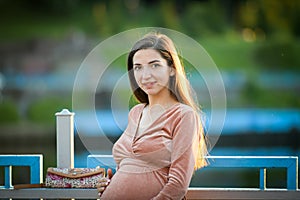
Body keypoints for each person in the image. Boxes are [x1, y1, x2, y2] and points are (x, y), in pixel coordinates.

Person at [97, 32, 208, 200]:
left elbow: (178, 186)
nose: (145, 75)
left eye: (154, 65)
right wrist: (110, 183)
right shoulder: (136, 113)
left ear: (171, 69)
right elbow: (133, 170)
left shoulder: (184, 116)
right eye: (138, 67)